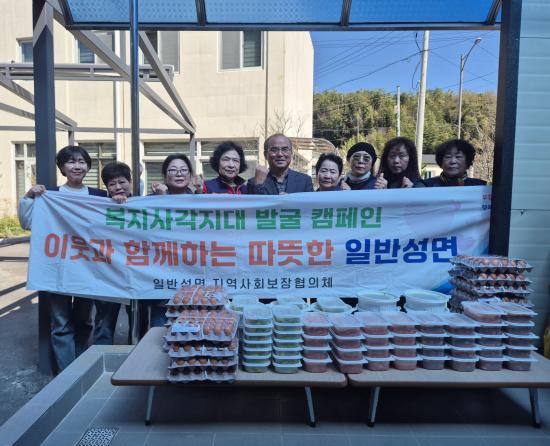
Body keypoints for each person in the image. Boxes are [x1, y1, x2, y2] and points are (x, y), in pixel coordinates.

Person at [18, 145, 107, 373]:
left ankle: (80, 368)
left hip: (88, 269)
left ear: (88, 167)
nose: (77, 166)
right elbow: (27, 223)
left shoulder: (100, 196)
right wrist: (29, 196)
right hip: (57, 268)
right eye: (71, 161)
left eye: (81, 161)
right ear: (62, 167)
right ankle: (68, 375)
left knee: (85, 320)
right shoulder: (50, 195)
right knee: (61, 323)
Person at [93, 162, 133, 346]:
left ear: (130, 182)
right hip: (107, 273)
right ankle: (100, 357)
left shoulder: (145, 205)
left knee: (138, 322)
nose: (118, 187)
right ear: (106, 187)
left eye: (122, 182)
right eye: (112, 184)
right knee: (104, 323)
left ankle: (136, 358)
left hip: (137, 273)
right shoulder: (98, 207)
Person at [247, 133, 314, 194]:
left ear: (291, 153)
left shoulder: (305, 181)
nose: (280, 154)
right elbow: (254, 203)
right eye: (274, 150)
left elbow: (311, 203)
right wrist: (258, 185)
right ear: (265, 155)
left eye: (285, 149)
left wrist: (291, 201)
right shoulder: (254, 182)